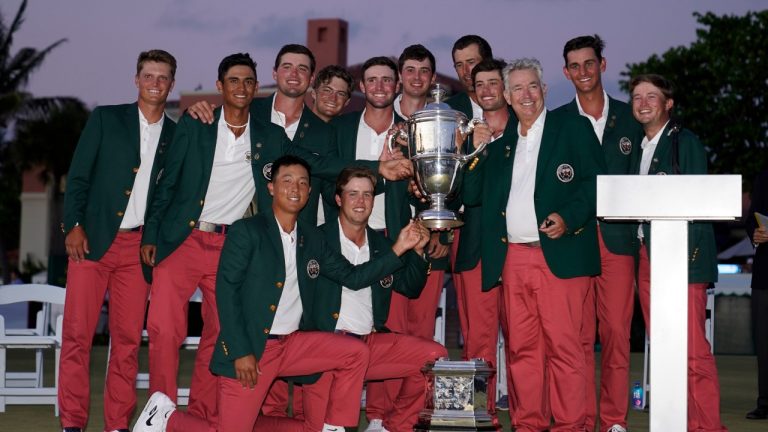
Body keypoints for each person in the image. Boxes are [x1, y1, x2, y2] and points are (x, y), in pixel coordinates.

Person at [133, 155, 427, 432]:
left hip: (294, 344)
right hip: (255, 348)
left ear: (310, 191)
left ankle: (334, 426)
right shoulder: (246, 231)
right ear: (271, 187)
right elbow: (227, 292)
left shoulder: (312, 237)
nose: (295, 188)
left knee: (355, 352)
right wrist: (241, 351)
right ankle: (166, 418)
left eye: (302, 182)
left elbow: (353, 277)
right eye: (287, 180)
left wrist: (399, 247)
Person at [463, 57, 605, 431]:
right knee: (522, 351)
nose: (526, 95)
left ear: (544, 90)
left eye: (532, 86)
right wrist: (474, 150)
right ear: (506, 97)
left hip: (558, 256)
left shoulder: (572, 127)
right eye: (518, 89)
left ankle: (572, 426)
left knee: (565, 349)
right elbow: (472, 194)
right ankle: (528, 425)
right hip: (512, 259)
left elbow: (595, 182)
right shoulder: (501, 142)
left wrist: (569, 217)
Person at [59, 49, 177, 432]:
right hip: (92, 241)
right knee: (77, 336)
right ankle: (73, 423)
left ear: (171, 84)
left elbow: (168, 196)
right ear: (136, 79)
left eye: (163, 77)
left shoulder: (177, 135)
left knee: (126, 343)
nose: (155, 83)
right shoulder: (106, 119)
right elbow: (78, 177)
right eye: (148, 76)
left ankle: (117, 424)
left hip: (138, 249)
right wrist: (73, 224)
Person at [300, 166, 447, 432]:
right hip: (324, 348)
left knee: (434, 357)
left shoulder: (381, 245)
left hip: (367, 346)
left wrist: (416, 252)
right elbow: (355, 278)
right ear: (338, 199)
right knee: (325, 428)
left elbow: (411, 288)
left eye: (368, 195)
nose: (361, 202)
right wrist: (399, 248)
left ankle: (392, 427)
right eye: (353, 194)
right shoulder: (316, 238)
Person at [630, 74, 727, 432]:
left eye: (651, 96)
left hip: (682, 258)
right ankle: (678, 422)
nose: (642, 102)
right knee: (665, 348)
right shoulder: (638, 147)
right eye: (637, 96)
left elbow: (697, 197)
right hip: (647, 255)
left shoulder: (684, 142)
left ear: (668, 104)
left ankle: (707, 426)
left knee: (691, 349)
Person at [554, 34, 641, 432]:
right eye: (575, 65)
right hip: (575, 240)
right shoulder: (556, 122)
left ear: (602, 65)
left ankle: (613, 420)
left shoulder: (630, 118)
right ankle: (582, 418)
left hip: (620, 241)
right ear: (566, 72)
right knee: (578, 337)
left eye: (589, 63)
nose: (583, 72)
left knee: (618, 335)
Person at [187, 44, 337, 227]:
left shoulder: (324, 132)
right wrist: (192, 111)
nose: (294, 74)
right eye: (287, 67)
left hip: (297, 237)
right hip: (238, 232)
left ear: (312, 77)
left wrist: (373, 172)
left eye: (302, 69)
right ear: (274, 73)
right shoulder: (248, 110)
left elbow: (331, 188)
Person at [445, 34, 506, 414]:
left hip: (520, 241)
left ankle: (532, 408)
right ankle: (478, 412)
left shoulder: (520, 112)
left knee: (527, 336)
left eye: (474, 63)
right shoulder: (447, 111)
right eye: (460, 65)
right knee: (477, 337)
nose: (468, 72)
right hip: (470, 238)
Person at [747, 168, 768, 420]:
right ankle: (765, 402)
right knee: (763, 342)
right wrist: (756, 233)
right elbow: (751, 217)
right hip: (764, 273)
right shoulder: (763, 176)